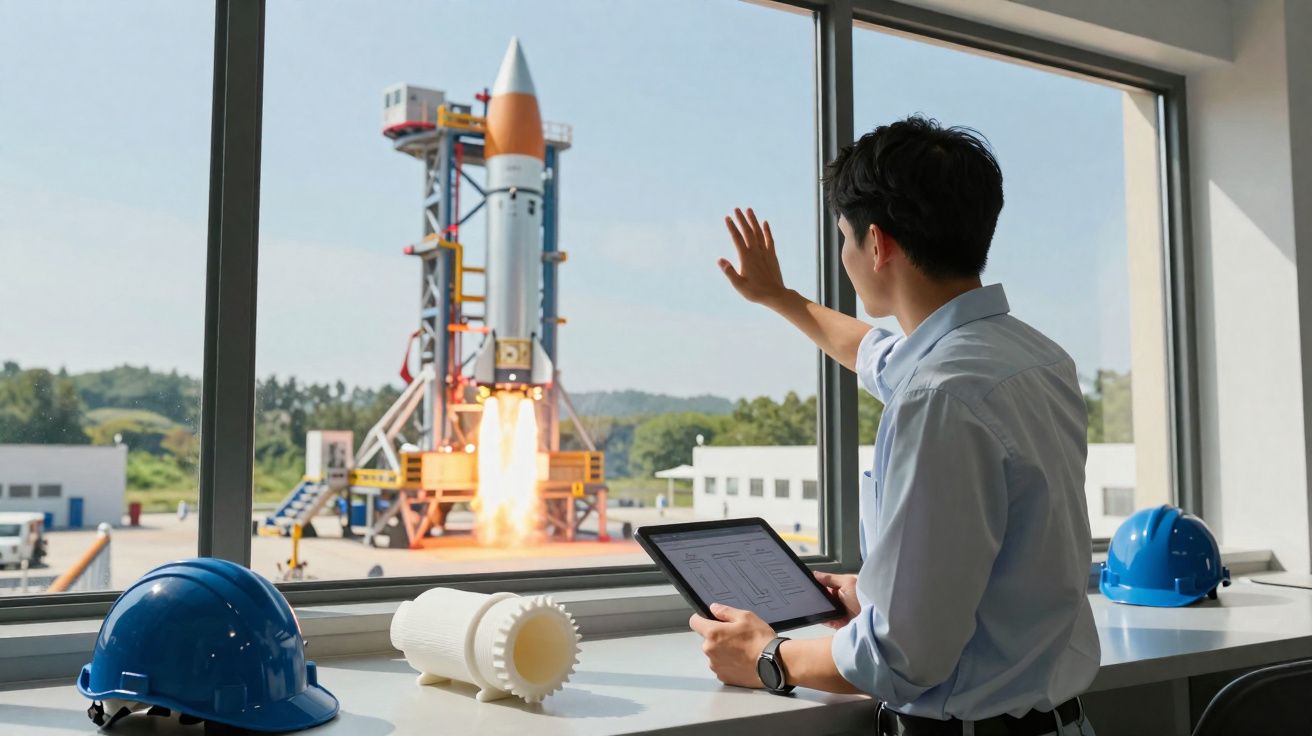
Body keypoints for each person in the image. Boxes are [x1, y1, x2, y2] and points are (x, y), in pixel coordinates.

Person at [690, 116, 1099, 736]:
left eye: (844, 239)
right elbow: (875, 353)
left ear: (877, 245)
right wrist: (781, 297)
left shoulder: (939, 396)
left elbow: (902, 659)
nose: (846, 257)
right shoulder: (1032, 358)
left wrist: (765, 657)